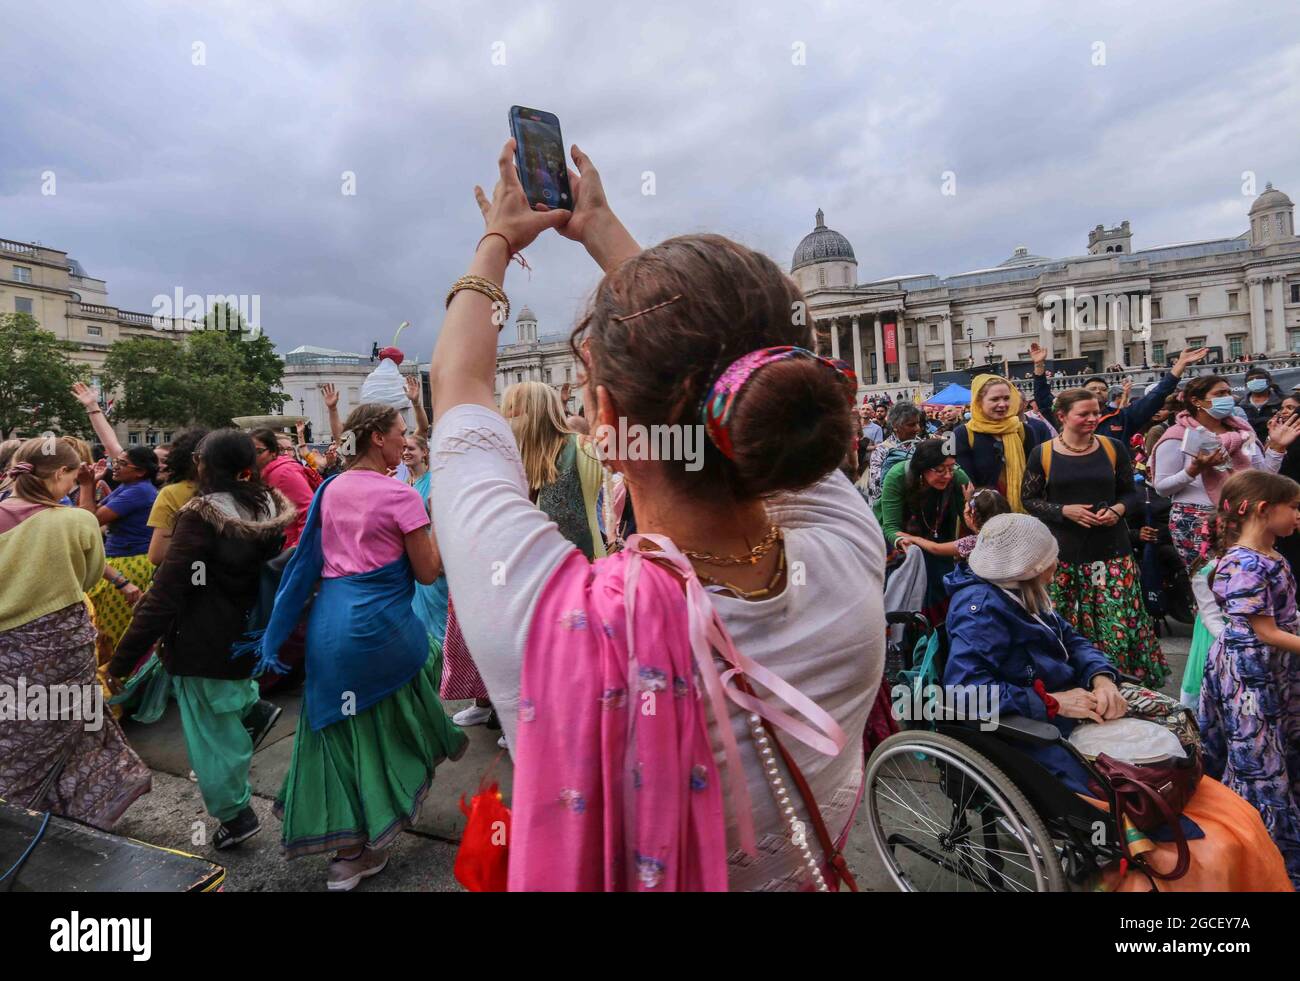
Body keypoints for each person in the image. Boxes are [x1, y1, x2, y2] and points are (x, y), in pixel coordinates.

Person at [425, 140, 884, 891]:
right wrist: (602, 227)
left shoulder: (546, 621)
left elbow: (457, 385)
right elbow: (464, 386)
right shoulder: (848, 543)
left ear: (605, 414)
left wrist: (498, 242)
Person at [944, 512, 1293, 890]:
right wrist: (1053, 702)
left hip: (1070, 712)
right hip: (1029, 734)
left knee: (1184, 737)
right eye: (1052, 560)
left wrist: (1101, 677)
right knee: (1204, 846)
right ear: (1032, 567)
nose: (1058, 564)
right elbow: (965, 692)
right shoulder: (980, 610)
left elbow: (1074, 642)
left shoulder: (1023, 592)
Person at [252, 403, 467, 890]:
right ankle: (371, 843)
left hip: (329, 626)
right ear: (376, 438)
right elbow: (428, 572)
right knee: (389, 727)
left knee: (338, 734)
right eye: (398, 432)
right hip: (381, 630)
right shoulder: (401, 495)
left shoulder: (331, 487)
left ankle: (348, 850)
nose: (404, 439)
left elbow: (312, 560)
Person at [111, 430, 293, 849]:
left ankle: (236, 816)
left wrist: (122, 661)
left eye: (199, 457)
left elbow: (168, 591)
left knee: (212, 739)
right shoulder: (265, 503)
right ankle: (254, 710)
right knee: (227, 701)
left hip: (201, 638)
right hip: (246, 631)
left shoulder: (203, 513)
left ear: (205, 465)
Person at [0, 439, 151, 828]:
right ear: (61, 475)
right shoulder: (75, 521)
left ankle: (27, 807)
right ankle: (61, 809)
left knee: (19, 726)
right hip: (61, 643)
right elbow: (86, 578)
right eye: (71, 476)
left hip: (7, 648)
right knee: (69, 725)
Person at [1021, 388, 1168, 685]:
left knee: (1116, 622)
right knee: (1068, 623)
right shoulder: (1043, 453)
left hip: (1112, 551)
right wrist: (1065, 511)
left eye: (1096, 413)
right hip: (1063, 556)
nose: (1092, 419)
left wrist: (1117, 509)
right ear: (1062, 417)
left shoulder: (1113, 447)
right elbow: (1030, 500)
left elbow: (1131, 493)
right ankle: (1074, 680)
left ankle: (1122, 682)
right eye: (1084, 414)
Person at [1197, 470, 1300, 886]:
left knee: (1282, 748)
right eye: (1293, 507)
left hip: (1275, 669)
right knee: (1260, 760)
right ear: (1263, 509)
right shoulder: (1243, 563)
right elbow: (1264, 632)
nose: (1298, 516)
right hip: (1249, 676)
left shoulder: (1273, 554)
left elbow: (1283, 618)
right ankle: (1263, 852)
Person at [1152, 374, 1299, 573]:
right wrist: (1194, 470)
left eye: (1229, 392)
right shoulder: (1178, 436)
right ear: (1196, 401)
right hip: (1196, 520)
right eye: (1220, 393)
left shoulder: (1242, 432)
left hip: (1242, 516)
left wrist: (1277, 448)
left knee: (1246, 580)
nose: (1227, 398)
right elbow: (1161, 487)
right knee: (1209, 584)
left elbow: (1261, 475)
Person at [1030, 343, 1209, 444]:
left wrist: (1179, 366)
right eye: (1092, 389)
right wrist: (1039, 366)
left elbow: (1156, 396)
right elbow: (1043, 398)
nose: (1098, 391)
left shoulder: (1122, 417)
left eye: (1103, 389)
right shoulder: (1064, 416)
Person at [878, 439, 970, 622]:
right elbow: (890, 526)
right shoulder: (897, 477)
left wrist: (971, 506)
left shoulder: (958, 478)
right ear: (922, 468)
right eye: (940, 470)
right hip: (904, 544)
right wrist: (899, 540)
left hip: (940, 534)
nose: (948, 475)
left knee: (940, 588)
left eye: (951, 468)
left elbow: (972, 523)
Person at [84, 446, 158, 670]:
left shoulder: (140, 491)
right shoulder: (130, 486)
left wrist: (87, 484)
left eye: (123, 464)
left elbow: (88, 520)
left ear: (141, 472)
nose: (114, 466)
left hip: (130, 564)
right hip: (120, 559)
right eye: (116, 461)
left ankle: (118, 680)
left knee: (114, 629)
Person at [953, 374, 1044, 512]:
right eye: (995, 399)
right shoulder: (963, 434)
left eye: (1006, 398)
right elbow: (967, 483)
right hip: (982, 513)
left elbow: (1034, 477)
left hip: (1023, 513)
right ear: (979, 402)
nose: (1002, 404)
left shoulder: (1024, 431)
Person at [896, 486, 1009, 565]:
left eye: (966, 509)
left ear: (971, 516)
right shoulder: (1011, 535)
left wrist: (912, 537)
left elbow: (936, 548)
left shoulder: (973, 543)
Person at [251, 428, 314, 548]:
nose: (252, 456)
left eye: (258, 451)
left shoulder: (284, 473)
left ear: (273, 452)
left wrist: (297, 549)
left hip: (290, 551)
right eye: (250, 451)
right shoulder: (257, 473)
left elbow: (308, 512)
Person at [859, 402, 924, 509]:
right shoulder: (882, 450)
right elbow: (876, 488)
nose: (917, 428)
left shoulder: (922, 446)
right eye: (911, 425)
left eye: (918, 423)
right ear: (895, 426)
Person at [1239, 366, 1285, 441]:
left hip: (1278, 444)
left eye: (1259, 378)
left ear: (1269, 381)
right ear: (1246, 384)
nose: (1255, 381)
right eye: (1251, 380)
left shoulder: (1283, 401)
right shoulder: (1239, 405)